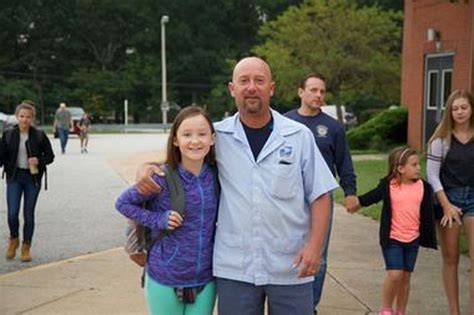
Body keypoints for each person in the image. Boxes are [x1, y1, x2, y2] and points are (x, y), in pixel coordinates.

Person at [136, 57, 338, 315]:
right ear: (232, 89)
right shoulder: (217, 137)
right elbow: (181, 160)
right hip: (235, 268)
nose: (251, 87)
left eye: (259, 81)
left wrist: (314, 248)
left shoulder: (298, 136)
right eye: (244, 81)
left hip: (290, 265)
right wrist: (146, 168)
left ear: (271, 88)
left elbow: (321, 195)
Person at [116, 106, 219, 315]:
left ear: (213, 138)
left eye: (202, 134)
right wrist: (158, 219)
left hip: (205, 280)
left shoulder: (218, 176)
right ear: (175, 140)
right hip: (165, 277)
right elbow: (123, 203)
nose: (195, 141)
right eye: (187, 135)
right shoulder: (160, 178)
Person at [284, 73, 358, 313]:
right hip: (289, 199)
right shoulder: (286, 123)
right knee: (287, 252)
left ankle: (310, 306)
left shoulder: (333, 127)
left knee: (319, 255)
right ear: (300, 92)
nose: (318, 95)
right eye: (313, 90)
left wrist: (350, 191)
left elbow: (344, 162)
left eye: (322, 92)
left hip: (321, 200)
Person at [353, 147, 437, 315]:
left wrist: (449, 211)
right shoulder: (388, 185)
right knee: (395, 274)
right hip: (393, 239)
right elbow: (371, 197)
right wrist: (355, 202)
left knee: (406, 277)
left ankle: (401, 311)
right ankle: (385, 308)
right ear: (400, 168)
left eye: (418, 164)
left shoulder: (424, 187)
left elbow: (432, 210)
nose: (418, 168)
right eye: (414, 165)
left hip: (413, 240)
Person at [427, 89, 474, 315]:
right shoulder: (441, 140)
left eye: (464, 107)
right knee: (451, 257)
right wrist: (446, 205)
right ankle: (454, 311)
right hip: (448, 199)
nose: (459, 112)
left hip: (473, 199)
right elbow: (433, 175)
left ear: (471, 109)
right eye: (455, 109)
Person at [0, 102, 55, 261]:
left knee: (28, 214)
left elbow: (50, 157)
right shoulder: (9, 134)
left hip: (32, 179)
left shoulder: (39, 135)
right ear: (17, 117)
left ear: (32, 119)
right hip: (14, 178)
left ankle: (26, 246)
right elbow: (1, 157)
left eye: (28, 117)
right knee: (12, 213)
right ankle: (14, 239)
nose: (24, 120)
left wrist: (38, 160)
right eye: (22, 116)